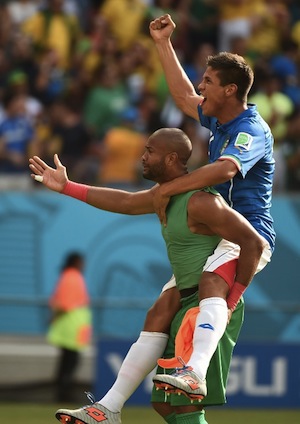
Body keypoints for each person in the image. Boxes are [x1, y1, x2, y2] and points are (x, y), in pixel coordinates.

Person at [29, 127, 267, 423]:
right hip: (184, 302)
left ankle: (118, 405)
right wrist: (68, 187)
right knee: (165, 405)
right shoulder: (164, 195)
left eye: (149, 151)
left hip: (209, 311)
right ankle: (108, 408)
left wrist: (231, 301)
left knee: (185, 405)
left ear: (170, 158)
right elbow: (125, 203)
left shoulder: (201, 201)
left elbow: (254, 243)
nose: (142, 157)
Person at [147, 13, 275, 397]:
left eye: (209, 82)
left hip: (247, 232)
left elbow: (223, 171)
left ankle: (195, 373)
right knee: (163, 306)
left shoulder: (251, 130)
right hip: (214, 233)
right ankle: (108, 407)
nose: (201, 87)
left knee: (211, 283)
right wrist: (163, 44)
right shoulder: (219, 122)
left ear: (231, 90)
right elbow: (184, 97)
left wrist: (170, 189)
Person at [47, 251, 92, 402]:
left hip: (71, 326)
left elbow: (58, 302)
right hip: (71, 327)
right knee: (70, 361)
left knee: (67, 360)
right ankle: (62, 394)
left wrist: (53, 318)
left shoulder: (67, 276)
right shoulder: (73, 277)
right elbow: (64, 304)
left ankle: (62, 391)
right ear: (76, 262)